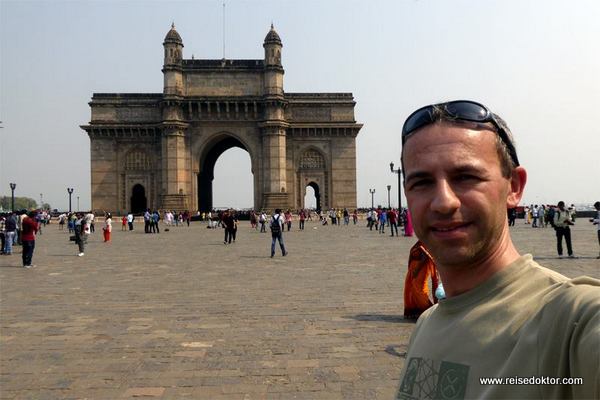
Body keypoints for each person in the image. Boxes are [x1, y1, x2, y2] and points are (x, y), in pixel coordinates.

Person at [396, 100, 599, 399]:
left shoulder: (571, 321)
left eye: (466, 177)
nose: (443, 202)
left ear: (514, 187)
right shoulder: (427, 324)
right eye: (422, 182)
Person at [403, 241, 439, 319]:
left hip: (421, 269)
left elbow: (424, 257)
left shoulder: (425, 242)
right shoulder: (420, 242)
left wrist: (417, 270)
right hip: (414, 268)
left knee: (419, 289)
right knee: (412, 288)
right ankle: (417, 310)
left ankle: (427, 309)